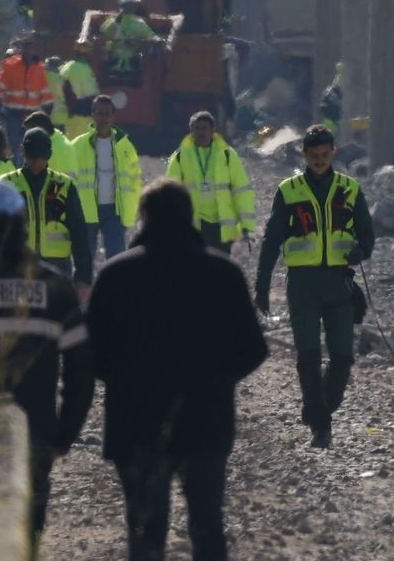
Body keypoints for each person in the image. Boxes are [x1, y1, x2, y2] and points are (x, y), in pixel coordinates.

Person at [89, 178, 267, 561]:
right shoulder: (223, 273)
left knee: (145, 531)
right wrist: (215, 381)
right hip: (206, 417)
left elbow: (92, 353)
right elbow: (253, 349)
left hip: (135, 420)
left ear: (144, 218)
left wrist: (125, 381)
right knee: (207, 525)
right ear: (190, 217)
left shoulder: (116, 275)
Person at [0, 178, 94, 555]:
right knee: (26, 532)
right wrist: (63, 435)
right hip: (34, 436)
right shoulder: (54, 287)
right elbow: (82, 372)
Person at [255, 125, 374, 448]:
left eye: (325, 154)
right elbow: (271, 240)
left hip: (338, 282)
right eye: (314, 156)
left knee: (342, 359)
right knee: (308, 356)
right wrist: (262, 285)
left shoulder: (349, 189)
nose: (320, 161)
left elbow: (367, 234)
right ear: (304, 155)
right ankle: (321, 427)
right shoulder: (289, 191)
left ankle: (318, 408)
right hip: (303, 285)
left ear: (333, 153)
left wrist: (361, 251)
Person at [6, 127, 93, 292]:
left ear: (48, 155)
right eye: (31, 157)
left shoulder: (63, 185)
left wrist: (83, 277)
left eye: (40, 158)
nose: (35, 162)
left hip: (57, 268)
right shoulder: (8, 184)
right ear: (23, 152)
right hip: (18, 266)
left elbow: (79, 232)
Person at [165, 111, 254, 252]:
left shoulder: (228, 155)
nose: (200, 132)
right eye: (197, 128)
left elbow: (242, 191)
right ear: (191, 130)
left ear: (213, 130)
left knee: (219, 265)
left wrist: (246, 225)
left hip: (222, 226)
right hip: (194, 225)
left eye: (204, 128)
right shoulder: (180, 157)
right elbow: (170, 194)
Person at [69, 95, 142, 264]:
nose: (103, 117)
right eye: (99, 113)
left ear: (113, 116)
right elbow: (69, 180)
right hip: (86, 211)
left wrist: (131, 210)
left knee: (117, 260)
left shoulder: (125, 145)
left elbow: (135, 179)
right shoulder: (78, 145)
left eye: (107, 113)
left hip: (115, 211)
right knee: (84, 260)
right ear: (93, 115)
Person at [0, 42, 53, 163]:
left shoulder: (39, 69)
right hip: (13, 114)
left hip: (31, 115)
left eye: (32, 47)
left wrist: (47, 110)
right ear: (23, 49)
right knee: (15, 145)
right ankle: (18, 166)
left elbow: (45, 92)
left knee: (30, 145)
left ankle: (24, 165)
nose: (30, 51)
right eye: (27, 47)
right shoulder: (10, 66)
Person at [101, 0, 159, 77]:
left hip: (120, 64)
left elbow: (104, 31)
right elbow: (151, 36)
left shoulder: (114, 21)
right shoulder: (137, 22)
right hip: (126, 64)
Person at [57, 41, 100, 140]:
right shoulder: (84, 69)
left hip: (68, 113)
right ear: (86, 55)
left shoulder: (66, 67)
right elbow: (91, 93)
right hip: (82, 113)